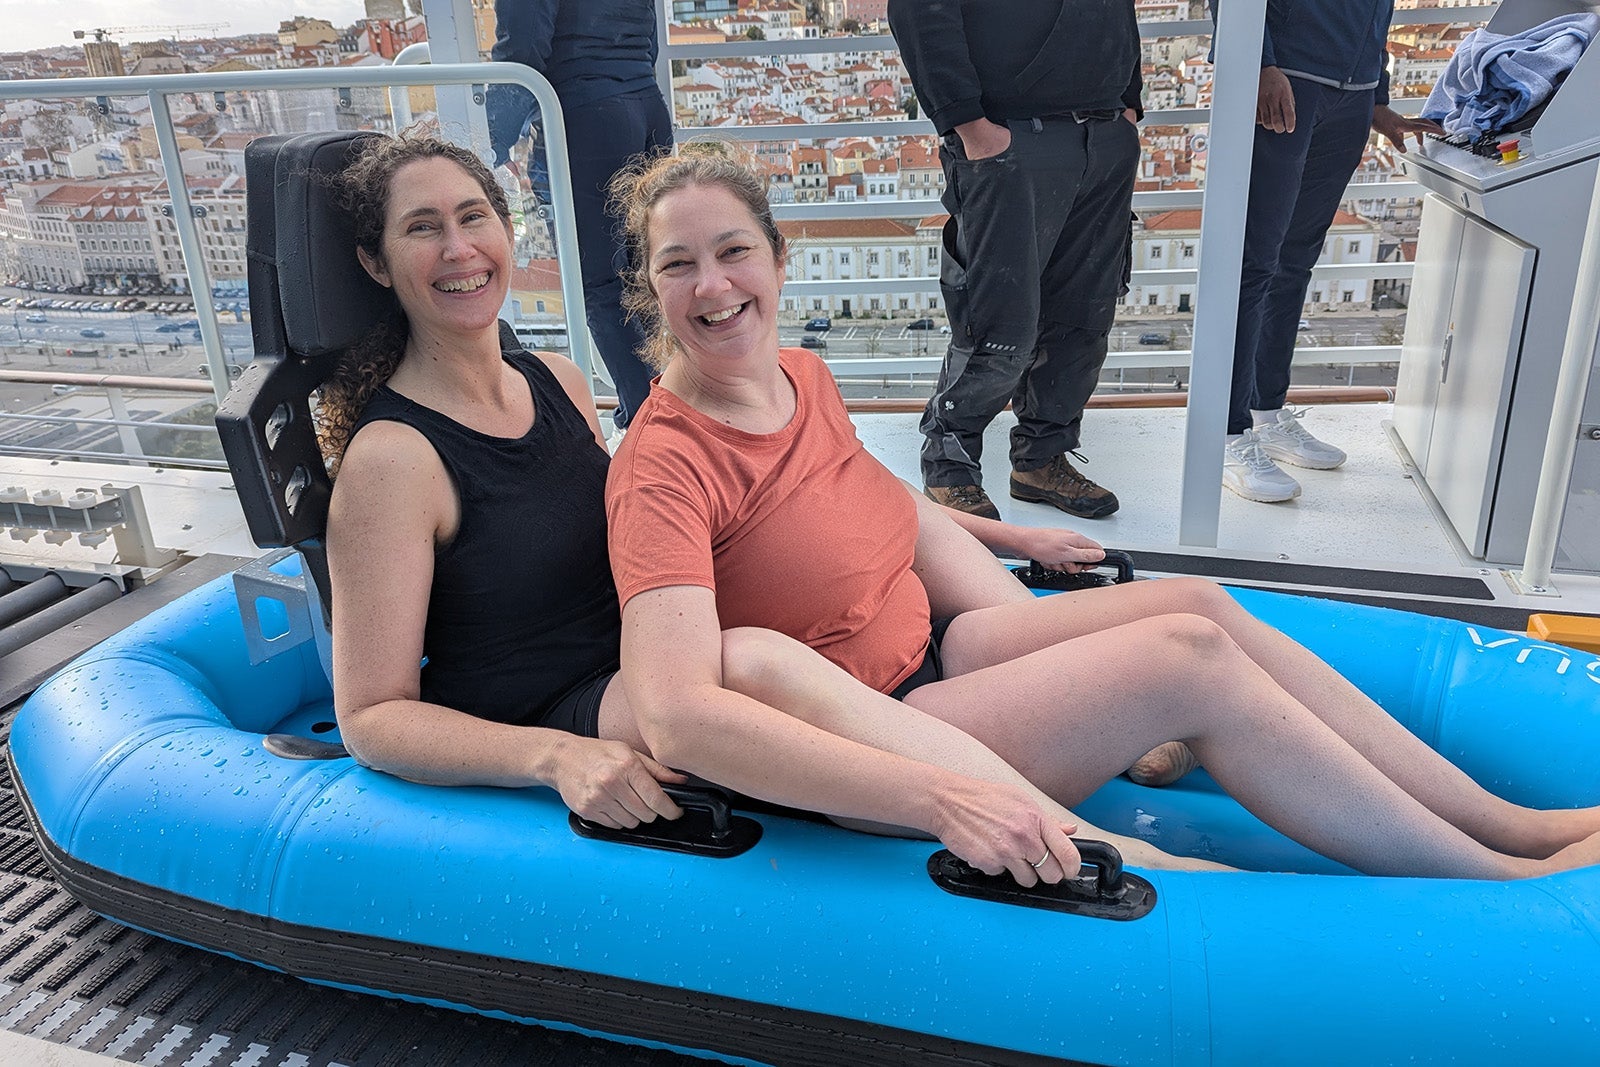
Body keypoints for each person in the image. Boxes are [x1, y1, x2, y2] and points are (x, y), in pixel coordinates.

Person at [603, 147, 1600, 880]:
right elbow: (674, 706)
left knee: (1201, 602)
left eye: (733, 251)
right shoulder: (662, 466)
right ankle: (1492, 874)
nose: (713, 284)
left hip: (944, 651)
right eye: (678, 263)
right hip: (884, 728)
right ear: (649, 292)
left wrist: (1010, 536)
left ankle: (1508, 821)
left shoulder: (797, 374)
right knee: (1184, 658)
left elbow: (867, 504)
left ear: (778, 259)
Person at [320, 131, 1150, 885]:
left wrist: (995, 532)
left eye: (473, 216)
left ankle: (1038, 749)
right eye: (422, 228)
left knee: (770, 629)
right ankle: (1070, 843)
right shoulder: (394, 459)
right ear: (376, 262)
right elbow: (370, 715)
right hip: (557, 696)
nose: (459, 247)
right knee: (753, 661)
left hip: (647, 645)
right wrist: (553, 756)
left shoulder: (554, 381)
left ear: (505, 232)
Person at [885, 0, 1143, 521]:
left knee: (1085, 314)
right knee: (997, 318)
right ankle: (950, 465)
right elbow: (919, 9)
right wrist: (969, 124)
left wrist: (1128, 104)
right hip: (1010, 137)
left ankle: (1041, 460)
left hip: (1104, 131)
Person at [1215, 0, 1441, 503]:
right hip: (1288, 80)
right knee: (1253, 265)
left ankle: (1266, 413)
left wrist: (1376, 97)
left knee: (1294, 263)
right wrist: (1260, 63)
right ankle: (1226, 434)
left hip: (1352, 96)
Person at [486, 0, 671, 436]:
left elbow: (522, 42)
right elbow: (650, 38)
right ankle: (662, 407)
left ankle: (655, 426)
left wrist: (490, 138)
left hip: (586, 115)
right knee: (652, 271)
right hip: (646, 107)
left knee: (601, 284)